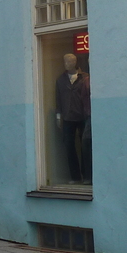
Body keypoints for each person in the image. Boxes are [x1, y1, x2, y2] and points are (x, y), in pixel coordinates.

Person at [55, 53, 92, 183]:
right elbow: (58, 99)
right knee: (69, 147)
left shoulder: (84, 78)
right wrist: (59, 115)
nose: (67, 64)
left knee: (85, 146)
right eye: (65, 61)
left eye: (69, 61)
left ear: (75, 62)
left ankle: (87, 175)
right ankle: (75, 177)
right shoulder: (61, 80)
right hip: (68, 117)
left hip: (82, 116)